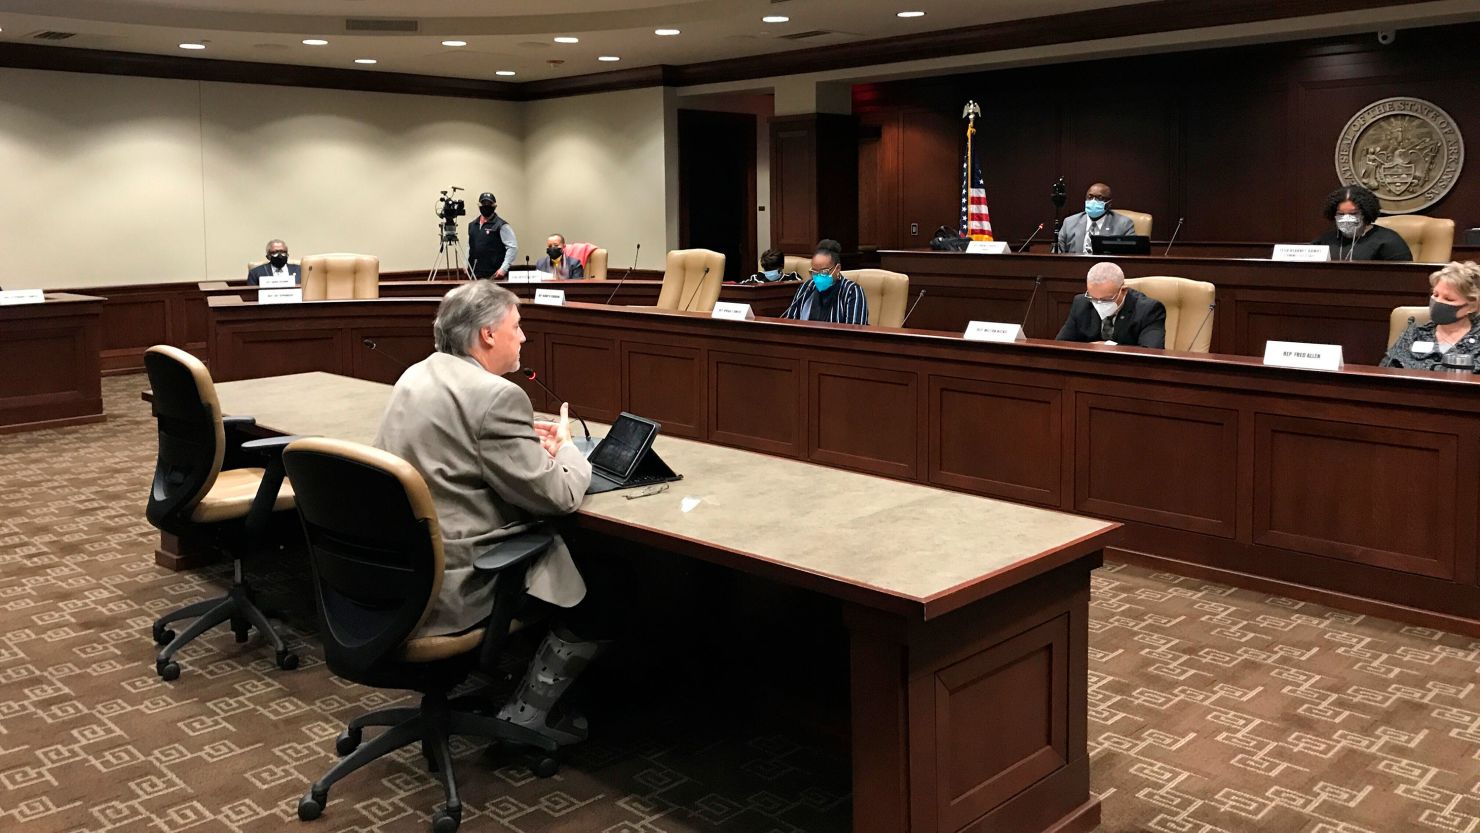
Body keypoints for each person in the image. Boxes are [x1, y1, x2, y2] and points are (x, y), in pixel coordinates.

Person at [374, 281, 597, 745]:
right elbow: (559, 496)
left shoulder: (416, 373)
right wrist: (569, 449)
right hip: (459, 579)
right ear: (489, 335)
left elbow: (461, 449)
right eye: (517, 327)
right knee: (605, 583)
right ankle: (529, 713)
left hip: (398, 568)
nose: (523, 337)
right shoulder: (497, 396)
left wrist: (519, 445)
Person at [1382, 261, 1480, 371]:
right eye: (1435, 294)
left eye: (1448, 299)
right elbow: (1385, 372)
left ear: (1472, 306)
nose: (1437, 302)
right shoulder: (1415, 333)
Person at [1056, 261, 1166, 348]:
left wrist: (1109, 348)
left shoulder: (1149, 310)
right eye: (1094, 298)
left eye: (1106, 299)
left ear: (1123, 291)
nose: (1099, 304)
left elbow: (1151, 352)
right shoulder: (1081, 303)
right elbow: (1062, 346)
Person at [1312, 185, 1412, 262]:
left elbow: (1404, 279)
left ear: (1365, 213)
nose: (1346, 218)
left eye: (1353, 213)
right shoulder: (1326, 240)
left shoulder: (1389, 241)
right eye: (1341, 214)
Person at [779, 239, 869, 324]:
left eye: (823, 272)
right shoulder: (807, 287)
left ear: (837, 269)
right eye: (814, 272)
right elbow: (791, 322)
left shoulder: (851, 291)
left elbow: (855, 331)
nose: (818, 276)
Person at [1056, 182, 1136, 254]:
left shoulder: (1124, 224)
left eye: (1100, 198)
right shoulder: (1069, 222)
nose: (1093, 201)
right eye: (1090, 197)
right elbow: (1057, 255)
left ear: (1109, 203)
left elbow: (1131, 256)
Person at [467, 192, 518, 279]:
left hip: (494, 275)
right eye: (484, 203)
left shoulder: (501, 225)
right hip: (475, 275)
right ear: (479, 205)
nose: (486, 206)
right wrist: (465, 263)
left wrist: (504, 269)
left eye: (489, 204)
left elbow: (512, 247)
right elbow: (469, 245)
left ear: (494, 206)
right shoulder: (472, 225)